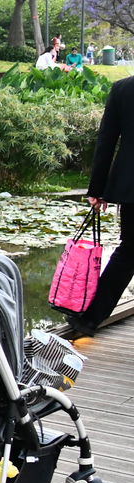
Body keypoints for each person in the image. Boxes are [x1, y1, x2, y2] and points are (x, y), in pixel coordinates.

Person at [71, 74, 134, 337]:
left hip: (132, 187)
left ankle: (90, 320)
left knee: (128, 252)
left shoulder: (123, 89)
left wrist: (97, 189)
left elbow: (106, 141)